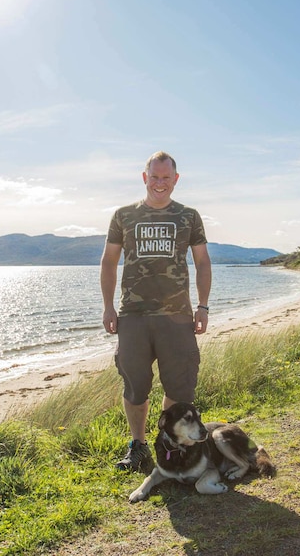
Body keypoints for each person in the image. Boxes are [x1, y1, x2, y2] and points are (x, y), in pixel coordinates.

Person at [100, 150, 212, 471]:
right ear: (144, 177)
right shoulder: (124, 216)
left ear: (175, 180)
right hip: (133, 316)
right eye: (154, 176)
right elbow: (109, 262)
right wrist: (108, 307)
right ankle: (138, 447)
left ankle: (170, 446)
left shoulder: (189, 216)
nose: (159, 183)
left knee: (179, 386)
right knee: (135, 385)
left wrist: (202, 306)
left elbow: (202, 262)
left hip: (177, 316)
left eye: (166, 178)